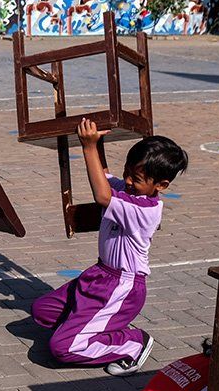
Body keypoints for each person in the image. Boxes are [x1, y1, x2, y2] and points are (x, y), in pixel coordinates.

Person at [32, 120, 188, 375]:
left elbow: (102, 195)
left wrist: (88, 147)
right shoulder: (131, 191)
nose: (126, 180)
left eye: (135, 178)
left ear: (161, 185)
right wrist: (98, 139)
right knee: (42, 311)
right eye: (126, 172)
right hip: (99, 275)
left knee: (62, 348)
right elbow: (103, 175)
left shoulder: (145, 210)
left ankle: (133, 343)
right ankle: (92, 325)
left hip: (122, 286)